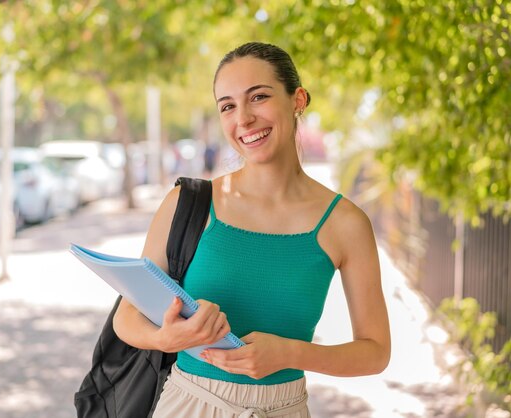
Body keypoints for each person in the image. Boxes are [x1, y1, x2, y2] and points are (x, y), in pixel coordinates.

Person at [113, 42, 391, 417]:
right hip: (188, 404)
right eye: (227, 106)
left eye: (258, 97)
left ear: (298, 99)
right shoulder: (188, 203)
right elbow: (126, 316)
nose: (242, 119)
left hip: (284, 409)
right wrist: (165, 337)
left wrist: (291, 353)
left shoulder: (345, 223)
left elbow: (375, 352)